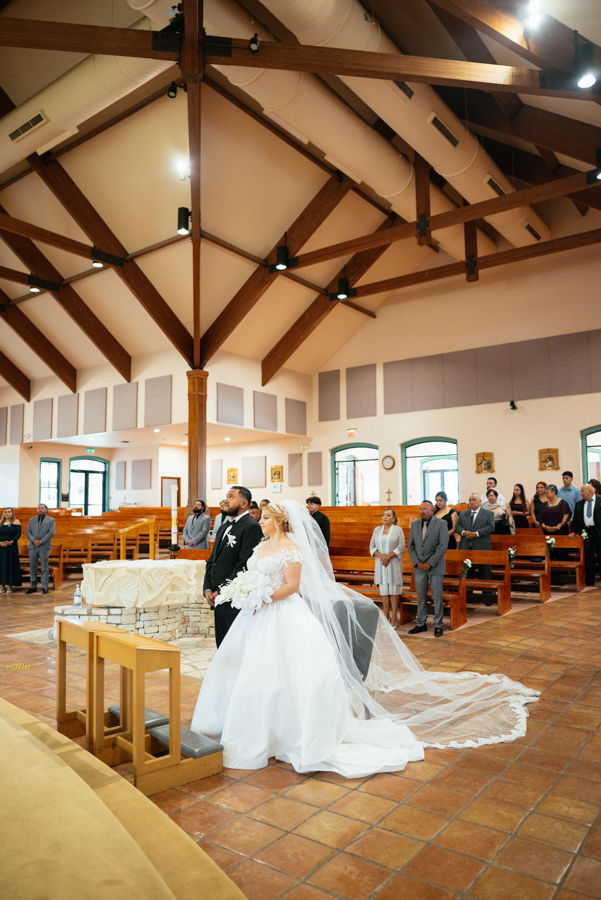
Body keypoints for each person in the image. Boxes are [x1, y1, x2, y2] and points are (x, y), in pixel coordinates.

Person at [190, 500, 538, 778]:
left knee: (293, 674)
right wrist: (245, 592)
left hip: (280, 613)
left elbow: (292, 586)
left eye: (265, 517)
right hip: (257, 617)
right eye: (260, 517)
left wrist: (264, 597)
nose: (260, 521)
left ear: (279, 521)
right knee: (250, 673)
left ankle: (290, 732)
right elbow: (250, 576)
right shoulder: (261, 547)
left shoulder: (292, 549)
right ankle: (246, 726)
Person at [203, 486, 263, 646]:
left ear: (244, 503)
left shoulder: (251, 527)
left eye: (231, 497)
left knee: (235, 647)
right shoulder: (223, 527)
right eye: (226, 496)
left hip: (235, 598)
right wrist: (207, 589)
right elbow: (212, 560)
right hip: (217, 598)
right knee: (221, 646)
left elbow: (244, 565)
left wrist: (222, 590)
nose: (225, 500)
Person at [407, 501, 449, 636]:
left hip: (435, 566)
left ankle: (438, 624)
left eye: (425, 508)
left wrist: (429, 563)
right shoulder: (415, 525)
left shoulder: (441, 524)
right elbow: (411, 547)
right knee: (421, 596)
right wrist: (418, 563)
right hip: (419, 567)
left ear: (432, 510)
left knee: (437, 595)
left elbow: (442, 546)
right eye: (420, 508)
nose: (422, 511)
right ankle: (421, 623)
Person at [455, 493, 496, 603]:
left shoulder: (488, 514)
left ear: (480, 501)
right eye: (470, 499)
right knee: (468, 573)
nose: (471, 502)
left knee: (485, 572)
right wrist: (464, 532)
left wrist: (476, 534)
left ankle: (487, 597)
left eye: (473, 499)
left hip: (482, 547)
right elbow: (457, 527)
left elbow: (491, 527)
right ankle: (468, 597)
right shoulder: (463, 514)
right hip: (466, 546)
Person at [369, 508, 405, 628]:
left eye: (388, 515)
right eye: (383, 515)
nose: (385, 517)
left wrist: (388, 556)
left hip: (393, 563)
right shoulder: (377, 530)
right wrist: (382, 557)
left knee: (394, 591)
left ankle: (394, 618)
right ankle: (386, 616)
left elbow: (401, 547)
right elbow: (372, 547)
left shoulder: (398, 530)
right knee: (384, 591)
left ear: (393, 518)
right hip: (381, 564)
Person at [570, 484, 601, 585]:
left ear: (591, 492)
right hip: (585, 533)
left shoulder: (600, 501)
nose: (581, 493)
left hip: (598, 532)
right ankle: (589, 581)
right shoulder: (579, 504)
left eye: (583, 491)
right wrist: (573, 531)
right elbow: (575, 520)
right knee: (588, 557)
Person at [25, 504, 55, 594]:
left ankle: (45, 587)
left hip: (44, 546)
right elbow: (28, 532)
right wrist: (34, 540)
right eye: (39, 508)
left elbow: (51, 533)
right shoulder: (31, 520)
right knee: (32, 567)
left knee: (44, 567)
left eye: (42, 508)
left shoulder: (51, 520)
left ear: (46, 510)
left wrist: (41, 541)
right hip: (32, 546)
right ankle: (33, 586)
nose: (40, 510)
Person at [0, 508, 22, 593]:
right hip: (0, 547)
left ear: (12, 513)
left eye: (9, 512)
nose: (7, 513)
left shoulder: (16, 522)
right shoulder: (0, 522)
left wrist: (10, 542)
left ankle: (9, 586)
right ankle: (1, 586)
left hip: (11, 547)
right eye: (6, 512)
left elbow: (18, 534)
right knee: (1, 565)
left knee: (10, 565)